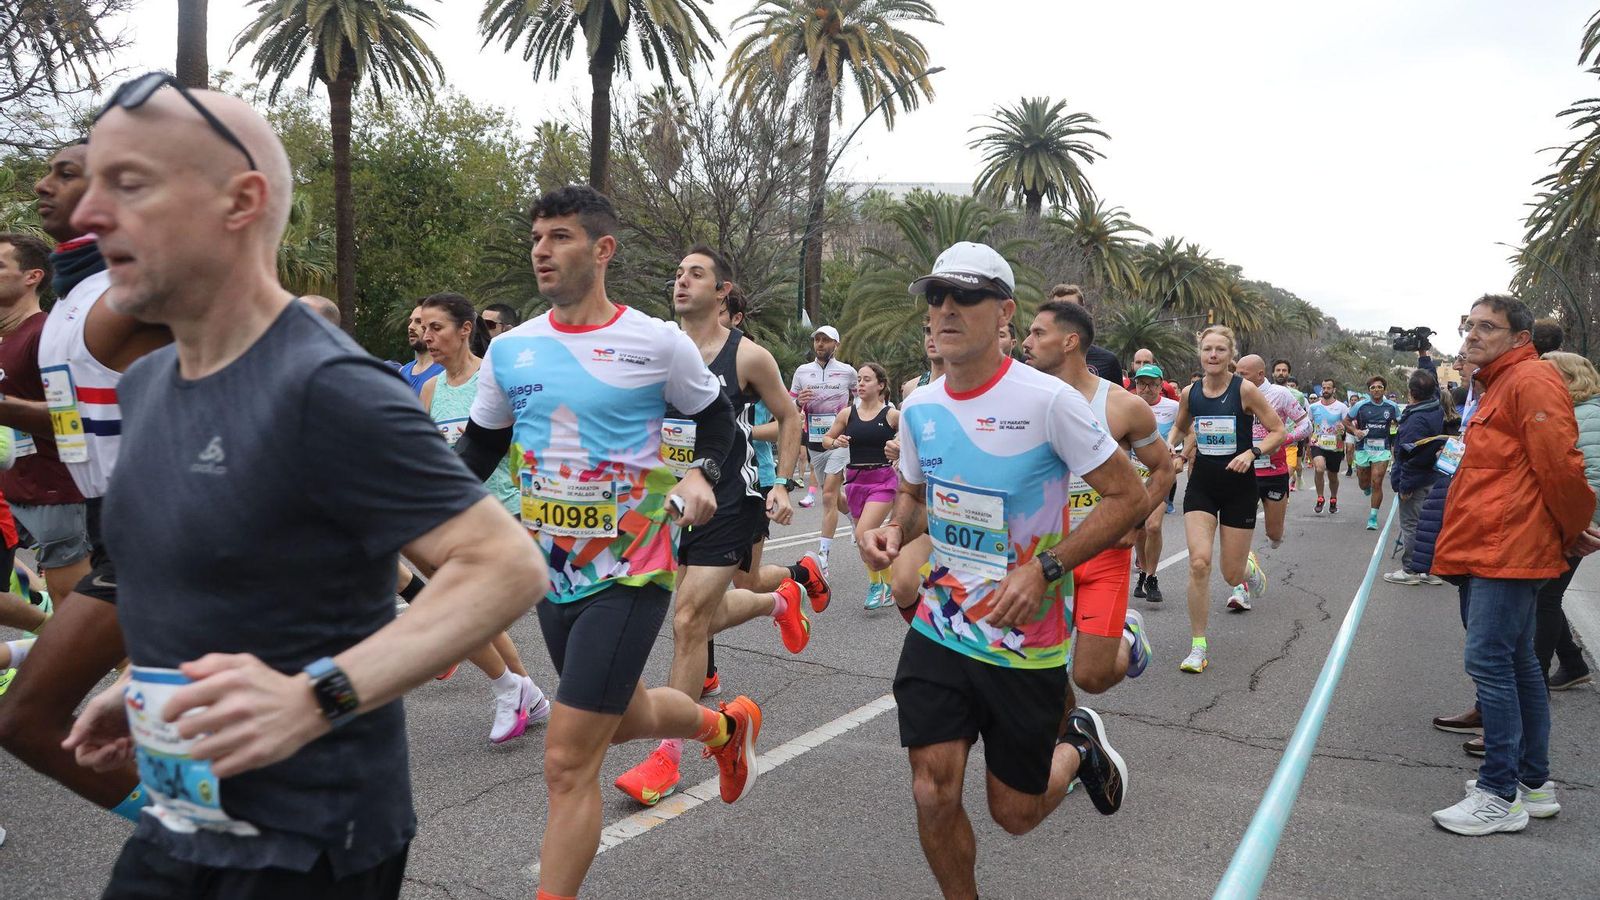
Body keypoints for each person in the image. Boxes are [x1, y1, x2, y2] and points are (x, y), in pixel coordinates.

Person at [58, 75, 547, 899]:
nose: (89, 213)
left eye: (129, 183)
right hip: (182, 813)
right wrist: (143, 681)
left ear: (241, 202)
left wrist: (316, 698)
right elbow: (237, 577)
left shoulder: (326, 386)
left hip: (308, 844)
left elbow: (502, 565)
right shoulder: (146, 387)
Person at [454, 186, 762, 897]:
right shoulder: (512, 350)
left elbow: (718, 420)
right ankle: (723, 729)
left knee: (568, 760)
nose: (541, 250)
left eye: (559, 236)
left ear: (603, 251)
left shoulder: (655, 342)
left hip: (632, 568)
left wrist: (701, 474)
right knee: (624, 717)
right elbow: (480, 448)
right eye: (536, 237)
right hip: (551, 571)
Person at [863, 242, 1141, 899]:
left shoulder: (1049, 401)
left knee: (1013, 813)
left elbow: (1128, 496)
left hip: (1025, 640)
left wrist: (1046, 568)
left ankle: (1079, 747)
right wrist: (894, 529)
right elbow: (915, 496)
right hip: (943, 625)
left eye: (965, 296)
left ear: (1005, 312)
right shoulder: (922, 407)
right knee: (931, 790)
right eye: (937, 296)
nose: (946, 309)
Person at [0, 138, 168, 824]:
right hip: (111, 521)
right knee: (34, 719)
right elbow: (77, 417)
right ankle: (196, 831)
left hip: (163, 525)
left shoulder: (136, 293)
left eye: (65, 174)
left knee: (28, 718)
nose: (43, 185)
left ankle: (192, 835)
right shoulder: (73, 301)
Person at [613, 246, 812, 809]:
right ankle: (780, 600)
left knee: (687, 620)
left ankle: (668, 756)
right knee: (700, 616)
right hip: (670, 500)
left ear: (722, 290)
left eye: (695, 274)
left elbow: (790, 416)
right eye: (677, 273)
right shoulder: (659, 348)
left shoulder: (747, 356)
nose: (682, 281)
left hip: (728, 499)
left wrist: (783, 484)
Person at [1428, 294, 1595, 836]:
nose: (1473, 335)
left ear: (1520, 338)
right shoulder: (1498, 382)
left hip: (1508, 548)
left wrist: (1570, 529)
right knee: (1519, 663)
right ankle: (1532, 784)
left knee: (1491, 662)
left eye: (1488, 327)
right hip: (1495, 543)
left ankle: (1500, 793)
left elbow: (1562, 467)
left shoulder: (1530, 380)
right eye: (1470, 325)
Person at [414, 291, 550, 743]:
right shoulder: (431, 389)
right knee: (469, 614)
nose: (426, 336)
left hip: (506, 515)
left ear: (465, 329)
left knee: (465, 614)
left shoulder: (492, 380)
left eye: (436, 327)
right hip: (458, 522)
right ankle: (522, 692)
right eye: (423, 327)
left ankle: (516, 691)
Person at [1021, 300, 1173, 688]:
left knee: (1091, 676)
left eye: (1038, 333)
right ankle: (1072, 726)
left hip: (1102, 551)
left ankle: (1128, 635)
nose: (1026, 342)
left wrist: (1134, 521)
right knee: (1037, 672)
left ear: (1069, 341)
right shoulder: (1020, 402)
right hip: (1038, 552)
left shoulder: (1123, 406)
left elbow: (1163, 469)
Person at [1165, 326, 1286, 672]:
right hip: (1202, 486)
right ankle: (1198, 647)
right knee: (1199, 562)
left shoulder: (1244, 389)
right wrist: (1171, 445)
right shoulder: (1190, 393)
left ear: (1231, 355)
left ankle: (1248, 569)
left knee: (1231, 574)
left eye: (1220, 349)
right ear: (1200, 353)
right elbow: (1180, 426)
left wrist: (1252, 452)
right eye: (1207, 349)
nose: (1213, 355)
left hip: (1239, 488)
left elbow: (1278, 430)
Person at [0, 231, 82, 629]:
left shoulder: (46, 336)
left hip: (56, 494)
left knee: (77, 617)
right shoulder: (5, 339)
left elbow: (71, 421)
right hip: (12, 490)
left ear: (32, 277)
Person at [1533, 351, 1597, 690]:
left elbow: (1594, 477)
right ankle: (1572, 664)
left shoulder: (1588, 415)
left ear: (1570, 379)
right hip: (1567, 521)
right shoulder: (1573, 411)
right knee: (1544, 595)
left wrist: (1578, 526)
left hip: (1577, 525)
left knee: (1545, 597)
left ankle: (1536, 680)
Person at [822, 362, 900, 609]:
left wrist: (898, 447)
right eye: (858, 379)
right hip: (855, 481)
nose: (860, 384)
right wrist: (836, 442)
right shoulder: (847, 414)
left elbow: (912, 436)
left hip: (882, 480)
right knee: (867, 538)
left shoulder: (891, 415)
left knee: (862, 533)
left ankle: (879, 587)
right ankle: (886, 584)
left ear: (881, 385)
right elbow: (826, 439)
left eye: (867, 379)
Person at [790, 325, 856, 572]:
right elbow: (789, 403)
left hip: (840, 440)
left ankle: (823, 556)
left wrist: (855, 422)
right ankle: (854, 518)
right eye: (817, 339)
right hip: (814, 441)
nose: (820, 344)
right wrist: (798, 402)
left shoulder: (847, 372)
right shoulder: (802, 371)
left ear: (836, 344)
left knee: (828, 495)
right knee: (834, 496)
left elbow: (862, 399)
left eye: (825, 340)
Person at [1236, 355, 1310, 549]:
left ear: (1260, 374)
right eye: (1236, 374)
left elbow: (1306, 425)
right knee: (1238, 528)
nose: (1237, 378)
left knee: (1274, 535)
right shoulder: (1234, 394)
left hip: (1273, 471)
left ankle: (1275, 535)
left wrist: (1284, 439)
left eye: (1243, 374)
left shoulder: (1280, 394)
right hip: (1243, 470)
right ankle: (1244, 563)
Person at [1383, 368, 1447, 586]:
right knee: (1429, 526)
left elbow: (1411, 457)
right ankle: (1429, 569)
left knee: (1411, 525)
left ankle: (1410, 569)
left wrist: (1405, 485)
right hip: (1431, 476)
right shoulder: (1435, 408)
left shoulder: (1415, 420)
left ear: (1411, 392)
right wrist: (1424, 356)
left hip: (1416, 480)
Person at [1130, 364, 1179, 602]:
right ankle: (1142, 569)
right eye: (1141, 383)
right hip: (1132, 478)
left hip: (1159, 475)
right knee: (1139, 529)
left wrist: (1180, 455)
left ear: (1161, 386)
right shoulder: (1126, 405)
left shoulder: (1172, 407)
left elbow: (1188, 431)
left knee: (1153, 526)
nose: (1146, 388)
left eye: (1151, 384)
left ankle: (1151, 576)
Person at [1347, 376, 1401, 530]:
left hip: (1382, 449)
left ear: (1384, 389)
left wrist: (1399, 430)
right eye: (1373, 388)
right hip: (1363, 448)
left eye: (1379, 387)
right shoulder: (1360, 405)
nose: (1376, 390)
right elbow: (1346, 421)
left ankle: (1373, 517)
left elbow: (1400, 421)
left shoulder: (1392, 406)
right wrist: (1355, 431)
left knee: (1377, 481)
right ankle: (1366, 488)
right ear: (1369, 390)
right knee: (1364, 483)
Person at [1046, 283, 1122, 384]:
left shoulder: (1107, 361)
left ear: (1082, 312)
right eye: (1057, 310)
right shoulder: (1036, 360)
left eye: (1070, 309)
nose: (1064, 316)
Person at [396, 304, 443, 393]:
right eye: (410, 321)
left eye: (418, 321)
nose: (410, 327)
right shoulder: (402, 372)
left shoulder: (445, 372)